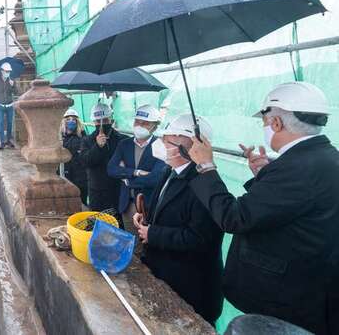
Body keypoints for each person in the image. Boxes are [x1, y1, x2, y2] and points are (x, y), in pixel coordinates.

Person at [186, 82, 339, 335]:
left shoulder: (297, 167)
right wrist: (264, 173)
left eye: (265, 122)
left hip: (288, 297)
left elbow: (234, 218)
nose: (266, 129)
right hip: (313, 287)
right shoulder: (325, 158)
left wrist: (206, 166)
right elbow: (291, 204)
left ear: (276, 123)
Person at [133, 114, 224, 325]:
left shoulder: (205, 185)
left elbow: (200, 239)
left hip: (190, 288)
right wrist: (146, 214)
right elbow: (165, 206)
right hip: (164, 272)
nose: (161, 144)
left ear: (188, 148)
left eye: (168, 141)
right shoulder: (170, 170)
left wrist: (153, 234)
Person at [107, 104, 167, 232]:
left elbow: (156, 178)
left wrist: (127, 179)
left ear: (155, 125)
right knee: (131, 240)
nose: (139, 126)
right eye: (137, 122)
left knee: (145, 242)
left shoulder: (160, 146)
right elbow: (111, 169)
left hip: (148, 205)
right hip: (126, 204)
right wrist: (136, 172)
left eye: (145, 123)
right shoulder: (124, 144)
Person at [79, 103, 125, 222]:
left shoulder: (122, 139)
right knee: (97, 223)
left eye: (105, 120)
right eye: (97, 121)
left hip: (117, 189)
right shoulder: (87, 140)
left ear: (111, 120)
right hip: (97, 190)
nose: (101, 124)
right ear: (93, 122)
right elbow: (85, 161)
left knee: (117, 223)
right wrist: (98, 146)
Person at [61, 108, 88, 206]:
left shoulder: (83, 138)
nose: (71, 121)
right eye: (68, 119)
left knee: (81, 200)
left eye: (73, 119)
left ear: (77, 122)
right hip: (65, 173)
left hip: (80, 176)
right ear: (64, 121)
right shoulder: (60, 137)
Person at [0, 62, 16, 150]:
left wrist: (13, 86)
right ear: (2, 71)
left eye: (9, 71)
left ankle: (8, 140)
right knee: (0, 122)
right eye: (6, 71)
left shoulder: (11, 80)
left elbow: (16, 92)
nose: (8, 73)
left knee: (9, 123)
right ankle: (2, 142)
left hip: (10, 105)